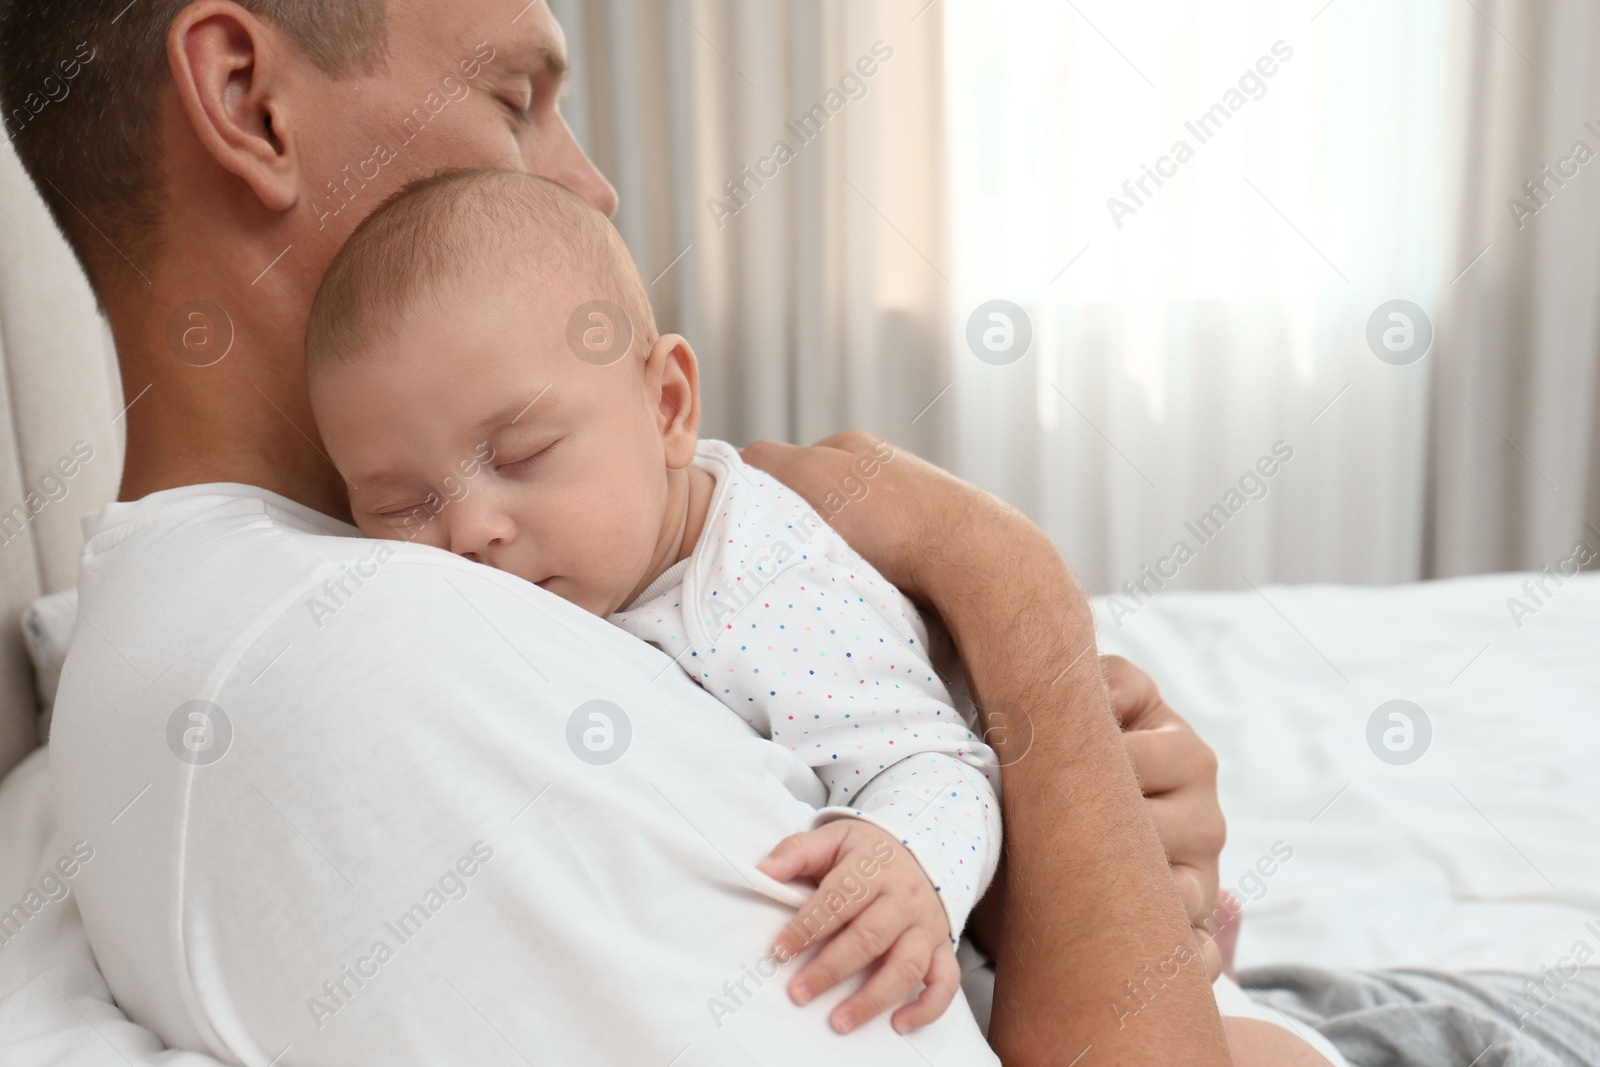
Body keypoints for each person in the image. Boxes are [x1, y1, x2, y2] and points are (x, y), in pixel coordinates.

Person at [0, 0, 1295, 1062]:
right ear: (247, 97)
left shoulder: (335, 587)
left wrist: (1058, 843)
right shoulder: (374, 657)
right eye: (516, 98)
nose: (593, 185)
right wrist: (1009, 587)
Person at [306, 169, 1004, 1036]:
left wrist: (909, 858)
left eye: (521, 454)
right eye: (402, 504)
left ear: (667, 405)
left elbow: (938, 764)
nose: (471, 529)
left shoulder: (764, 589)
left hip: (980, 940)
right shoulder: (540, 584)